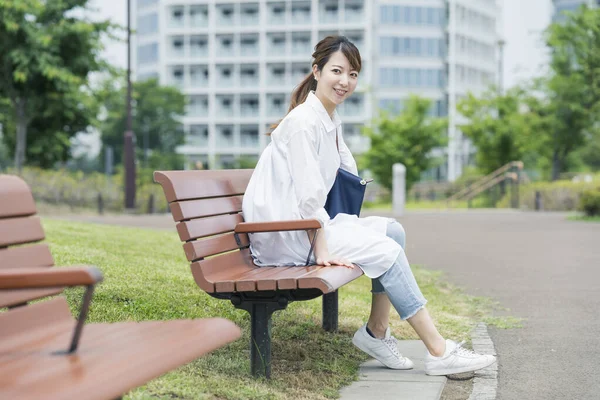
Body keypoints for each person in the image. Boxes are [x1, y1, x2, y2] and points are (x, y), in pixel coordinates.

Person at [242, 35, 496, 376]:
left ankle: (376, 331)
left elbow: (344, 171)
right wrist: (321, 248)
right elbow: (308, 197)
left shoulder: (327, 119)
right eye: (337, 71)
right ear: (316, 71)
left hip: (300, 225)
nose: (345, 81)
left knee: (393, 230)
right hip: (285, 235)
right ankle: (438, 351)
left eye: (353, 74)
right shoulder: (304, 122)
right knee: (386, 250)